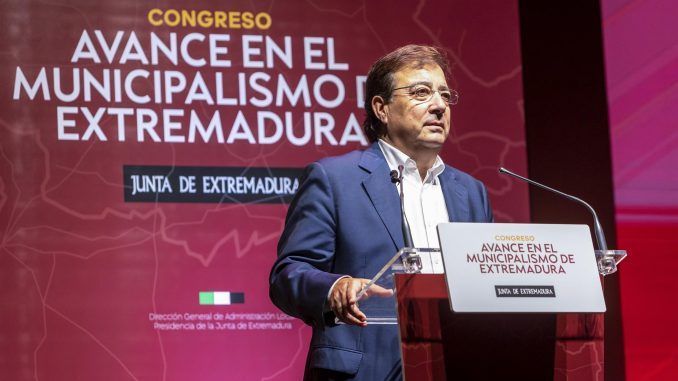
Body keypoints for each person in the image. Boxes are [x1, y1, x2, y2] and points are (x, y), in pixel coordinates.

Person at [269, 45, 493, 381]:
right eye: (421, 92)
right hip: (365, 370)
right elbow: (288, 274)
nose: (439, 105)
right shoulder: (334, 179)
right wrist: (336, 287)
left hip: (457, 364)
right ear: (381, 108)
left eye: (445, 95)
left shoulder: (472, 192)